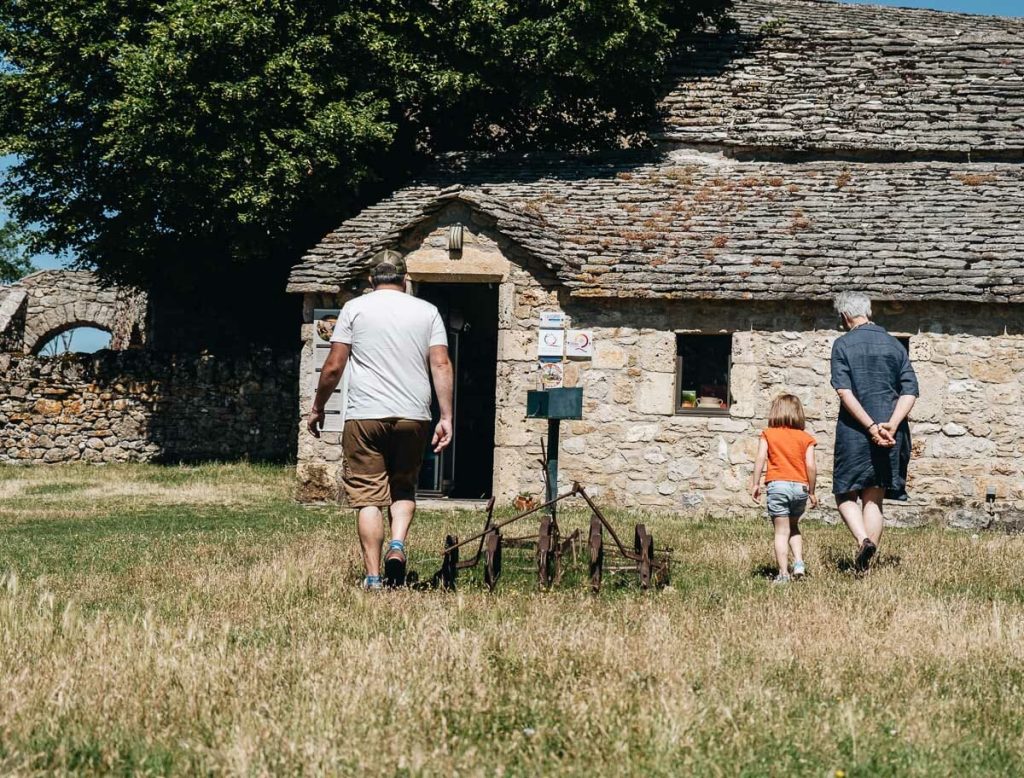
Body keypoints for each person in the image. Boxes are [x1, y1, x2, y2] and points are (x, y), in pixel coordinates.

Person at [307, 249, 454, 590]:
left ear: (371, 279)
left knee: (369, 497)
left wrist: (318, 407)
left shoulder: (355, 309)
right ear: (405, 279)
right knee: (404, 485)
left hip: (364, 415)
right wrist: (445, 416)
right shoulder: (427, 311)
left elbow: (333, 366)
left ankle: (373, 578)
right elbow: (442, 364)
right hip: (413, 415)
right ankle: (398, 545)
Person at [830, 291, 919, 573]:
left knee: (845, 493)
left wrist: (870, 426)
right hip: (892, 432)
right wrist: (891, 423)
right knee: (874, 497)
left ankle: (863, 540)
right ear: (868, 312)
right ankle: (865, 569)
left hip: (855, 431)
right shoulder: (895, 346)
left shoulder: (842, 345)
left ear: (845, 316)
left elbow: (845, 392)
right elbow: (910, 391)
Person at [751, 394, 818, 584]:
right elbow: (811, 466)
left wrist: (756, 483)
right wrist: (811, 491)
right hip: (800, 488)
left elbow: (760, 459)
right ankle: (798, 562)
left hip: (777, 485)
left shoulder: (768, 434)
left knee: (781, 532)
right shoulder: (806, 438)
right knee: (794, 526)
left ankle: (783, 574)